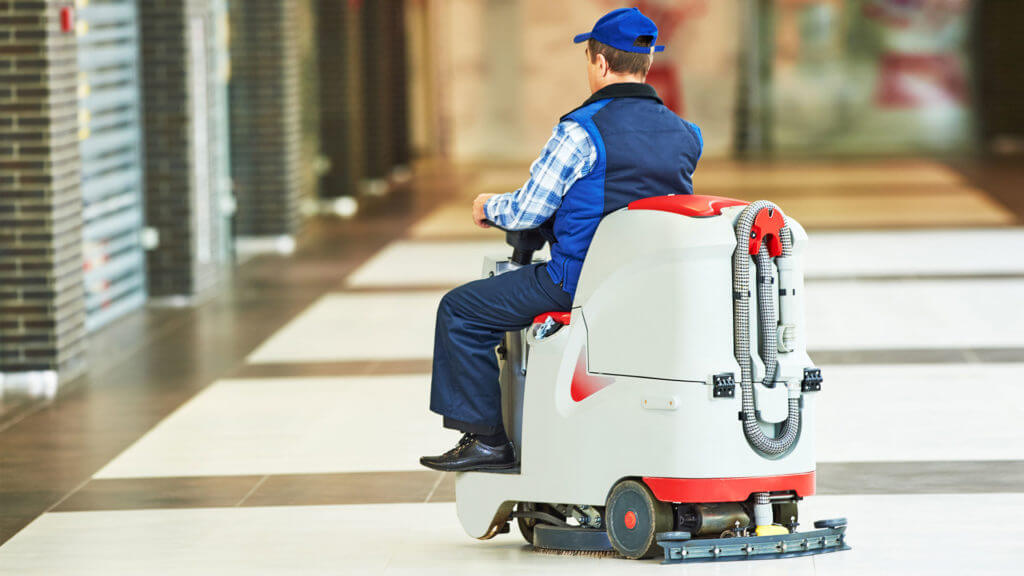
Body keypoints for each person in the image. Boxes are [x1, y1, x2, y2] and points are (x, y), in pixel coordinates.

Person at [420, 7, 703, 472]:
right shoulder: (687, 135)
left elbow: (529, 209)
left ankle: (488, 441)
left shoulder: (579, 131)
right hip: (652, 284)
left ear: (599, 63)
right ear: (646, 63)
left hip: (577, 283)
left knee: (461, 311)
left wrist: (488, 205)